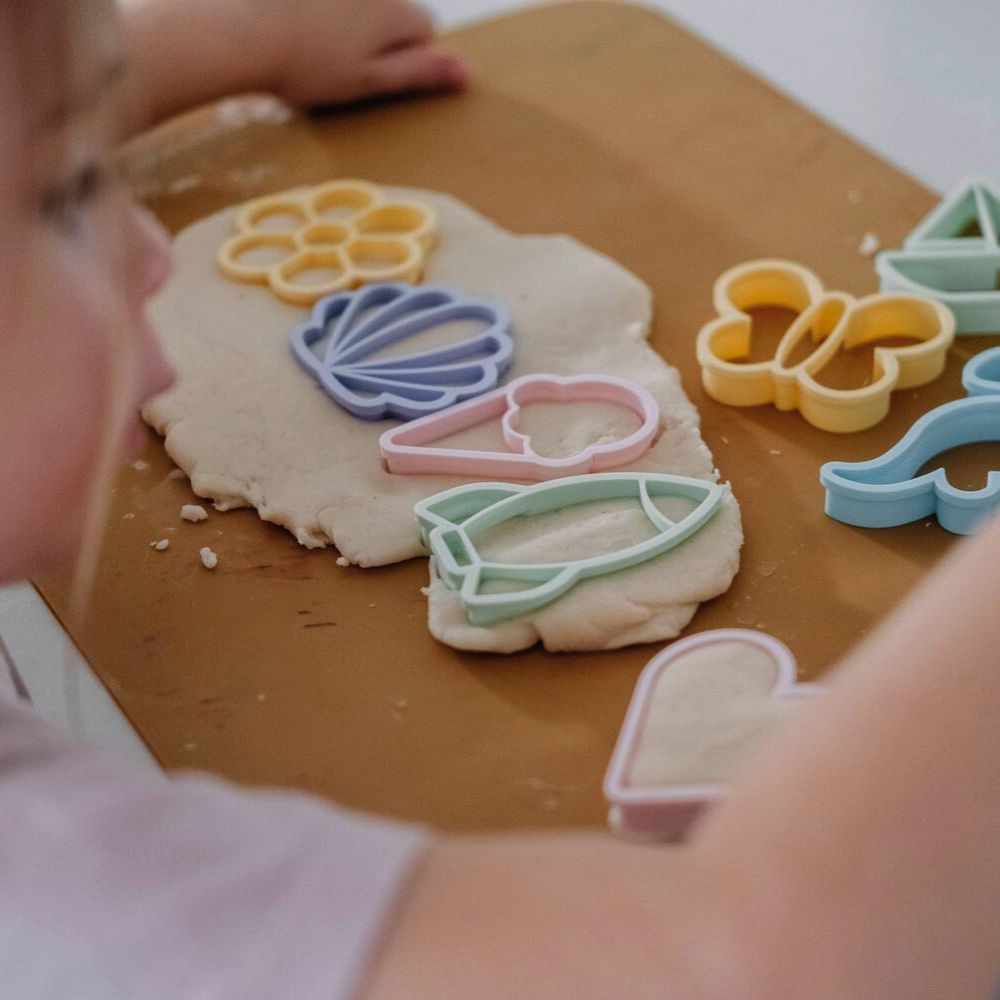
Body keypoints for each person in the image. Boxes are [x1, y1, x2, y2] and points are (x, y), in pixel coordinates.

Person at [2, 1, 999, 997]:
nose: (150, 248)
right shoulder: (63, 896)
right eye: (64, 198)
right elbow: (745, 959)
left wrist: (217, 42)